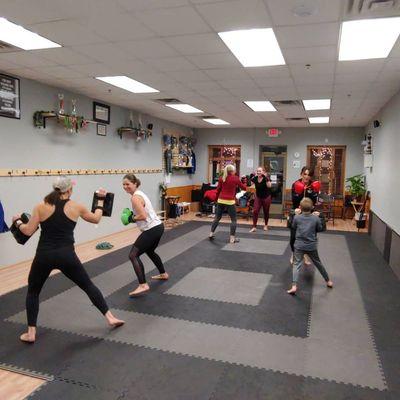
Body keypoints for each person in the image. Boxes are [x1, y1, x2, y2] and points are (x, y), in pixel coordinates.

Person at [13, 176, 124, 343]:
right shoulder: (76, 207)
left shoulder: (41, 207)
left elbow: (27, 231)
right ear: (69, 190)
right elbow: (96, 218)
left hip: (44, 256)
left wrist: (18, 222)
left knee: (33, 292)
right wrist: (100, 201)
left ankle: (31, 333)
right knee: (88, 285)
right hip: (67, 256)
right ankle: (110, 317)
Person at [123, 174, 168, 296]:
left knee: (133, 255)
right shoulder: (139, 194)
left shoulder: (135, 198)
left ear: (135, 184)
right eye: (124, 184)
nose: (125, 186)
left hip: (151, 229)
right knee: (150, 251)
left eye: (128, 184)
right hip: (158, 226)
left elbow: (143, 216)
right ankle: (163, 273)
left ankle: (143, 284)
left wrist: (131, 218)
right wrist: (133, 215)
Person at [287, 197, 333, 294]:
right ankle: (328, 281)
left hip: (299, 246)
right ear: (312, 207)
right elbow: (321, 229)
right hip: (311, 246)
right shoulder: (315, 218)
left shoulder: (297, 217)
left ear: (300, 207)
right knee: (318, 264)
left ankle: (294, 286)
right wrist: (321, 217)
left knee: (296, 265)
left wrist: (293, 214)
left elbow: (292, 227)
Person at [289, 167, 321, 264]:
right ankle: (293, 254)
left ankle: (306, 256)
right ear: (301, 174)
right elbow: (294, 200)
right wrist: (296, 209)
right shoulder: (295, 184)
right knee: (294, 236)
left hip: (309, 214)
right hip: (297, 213)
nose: (306, 176)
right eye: (305, 174)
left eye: (309, 175)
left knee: (308, 237)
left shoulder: (313, 185)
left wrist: (315, 211)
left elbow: (315, 202)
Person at [209, 164, 247, 244]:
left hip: (220, 200)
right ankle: (232, 239)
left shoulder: (222, 178)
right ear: (232, 171)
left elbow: (218, 190)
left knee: (217, 218)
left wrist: (216, 200)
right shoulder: (235, 178)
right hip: (230, 201)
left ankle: (211, 234)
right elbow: (244, 188)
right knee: (233, 220)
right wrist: (245, 184)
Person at [250, 166, 272, 232]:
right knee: (255, 211)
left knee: (266, 211)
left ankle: (265, 225)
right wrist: (252, 177)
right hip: (258, 197)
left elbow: (269, 186)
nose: (258, 172)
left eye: (260, 171)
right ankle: (254, 227)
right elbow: (251, 184)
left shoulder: (266, 178)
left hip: (266, 197)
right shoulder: (256, 178)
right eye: (257, 171)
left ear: (263, 172)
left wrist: (266, 178)